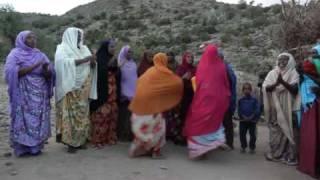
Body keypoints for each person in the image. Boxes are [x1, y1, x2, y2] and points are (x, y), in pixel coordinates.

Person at [4, 31, 55, 157]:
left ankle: (35, 148)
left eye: (34, 37)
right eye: (29, 38)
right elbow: (12, 72)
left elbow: (50, 75)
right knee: (23, 119)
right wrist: (35, 65)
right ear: (21, 40)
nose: (33, 40)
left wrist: (46, 70)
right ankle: (22, 148)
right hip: (23, 92)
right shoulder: (14, 54)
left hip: (40, 93)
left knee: (38, 119)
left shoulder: (40, 54)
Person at [129, 53, 183, 158]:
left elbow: (139, 83)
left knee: (146, 128)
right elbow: (176, 83)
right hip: (155, 107)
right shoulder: (165, 72)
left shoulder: (150, 71)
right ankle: (155, 152)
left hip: (143, 106)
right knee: (159, 129)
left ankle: (137, 149)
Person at [183, 44, 231, 159]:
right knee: (211, 123)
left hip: (202, 100)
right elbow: (225, 84)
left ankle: (200, 150)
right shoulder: (221, 66)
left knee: (199, 122)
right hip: (216, 101)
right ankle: (206, 149)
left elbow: (198, 83)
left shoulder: (202, 66)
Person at [55, 27, 97, 153]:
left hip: (84, 86)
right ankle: (71, 143)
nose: (80, 38)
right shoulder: (62, 48)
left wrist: (93, 60)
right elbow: (61, 63)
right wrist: (86, 59)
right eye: (78, 36)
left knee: (83, 113)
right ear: (70, 36)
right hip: (70, 87)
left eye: (81, 36)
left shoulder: (84, 49)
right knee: (70, 114)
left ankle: (81, 140)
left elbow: (92, 65)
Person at [263, 52, 300, 166]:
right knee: (276, 129)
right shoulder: (272, 73)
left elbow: (294, 90)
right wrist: (276, 83)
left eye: (284, 60)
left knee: (288, 129)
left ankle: (288, 155)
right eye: (280, 60)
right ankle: (275, 153)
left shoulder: (293, 73)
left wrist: (282, 82)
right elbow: (266, 88)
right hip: (275, 106)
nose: (281, 62)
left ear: (290, 62)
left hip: (288, 107)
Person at [90, 40, 120, 148]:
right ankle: (98, 140)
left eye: (114, 47)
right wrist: (110, 65)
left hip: (112, 93)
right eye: (111, 46)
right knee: (101, 116)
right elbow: (99, 74)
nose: (113, 49)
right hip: (102, 93)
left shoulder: (113, 59)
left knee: (111, 116)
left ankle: (109, 138)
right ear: (105, 47)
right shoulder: (99, 58)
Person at [166, 51, 196, 145]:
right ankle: (180, 138)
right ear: (184, 58)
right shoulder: (180, 68)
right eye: (188, 57)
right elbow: (175, 82)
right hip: (182, 96)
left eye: (191, 57)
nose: (190, 59)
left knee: (190, 116)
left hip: (192, 95)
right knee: (181, 116)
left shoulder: (194, 69)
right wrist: (183, 78)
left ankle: (189, 136)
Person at [298, 56, 320, 178]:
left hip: (313, 110)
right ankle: (311, 165)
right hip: (311, 110)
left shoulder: (310, 79)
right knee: (311, 137)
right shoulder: (305, 80)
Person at [117, 45, 138, 142]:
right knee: (123, 115)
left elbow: (134, 78)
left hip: (133, 93)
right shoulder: (120, 63)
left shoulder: (133, 64)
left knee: (131, 116)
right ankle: (122, 135)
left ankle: (129, 135)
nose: (130, 53)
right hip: (123, 94)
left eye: (131, 52)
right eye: (128, 52)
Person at [219, 49, 237, 149]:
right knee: (223, 121)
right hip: (222, 99)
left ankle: (229, 143)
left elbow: (230, 83)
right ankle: (224, 142)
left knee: (227, 121)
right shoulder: (224, 68)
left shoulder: (226, 68)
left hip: (227, 99)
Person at [238, 83, 261, 154]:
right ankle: (243, 146)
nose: (246, 90)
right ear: (242, 90)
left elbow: (257, 109)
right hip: (243, 120)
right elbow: (239, 109)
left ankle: (252, 147)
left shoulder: (254, 100)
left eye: (248, 89)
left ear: (251, 90)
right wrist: (242, 116)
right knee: (242, 134)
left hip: (252, 121)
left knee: (253, 135)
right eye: (245, 89)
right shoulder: (241, 100)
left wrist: (252, 116)